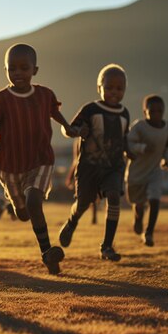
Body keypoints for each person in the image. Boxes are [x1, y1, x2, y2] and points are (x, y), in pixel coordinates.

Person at [0, 43, 82, 274]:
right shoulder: (2, 99)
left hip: (40, 160)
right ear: (5, 71)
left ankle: (47, 254)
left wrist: (68, 127)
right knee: (23, 213)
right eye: (12, 69)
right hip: (9, 165)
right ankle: (16, 206)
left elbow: (55, 112)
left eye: (24, 68)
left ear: (35, 70)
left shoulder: (45, 95)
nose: (18, 73)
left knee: (34, 201)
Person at [58, 64, 130, 262]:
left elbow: (124, 139)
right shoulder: (90, 110)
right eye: (109, 88)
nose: (114, 92)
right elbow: (68, 129)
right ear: (99, 87)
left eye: (119, 88)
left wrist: (131, 152)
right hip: (89, 168)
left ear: (125, 89)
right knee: (83, 204)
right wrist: (75, 131)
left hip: (113, 168)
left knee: (114, 196)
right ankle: (72, 222)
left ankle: (107, 246)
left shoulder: (125, 114)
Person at [125, 95, 168, 246]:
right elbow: (127, 144)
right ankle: (138, 217)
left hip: (155, 171)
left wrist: (166, 159)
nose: (156, 114)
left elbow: (166, 146)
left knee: (155, 198)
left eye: (160, 111)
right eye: (152, 111)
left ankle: (149, 232)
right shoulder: (139, 127)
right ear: (144, 111)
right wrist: (143, 148)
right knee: (138, 205)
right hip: (136, 173)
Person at [65, 139, 99, 225]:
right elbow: (76, 160)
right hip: (84, 171)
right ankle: (89, 217)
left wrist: (70, 177)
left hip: (87, 171)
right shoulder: (78, 141)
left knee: (89, 196)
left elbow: (75, 161)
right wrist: (70, 177)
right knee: (88, 196)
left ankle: (92, 217)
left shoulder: (79, 140)